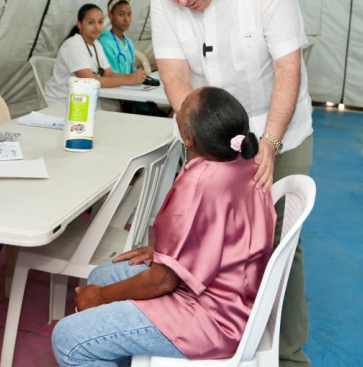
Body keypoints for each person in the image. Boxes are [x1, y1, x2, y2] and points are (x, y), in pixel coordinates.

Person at [143, 0, 313, 367]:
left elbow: (287, 66)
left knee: (276, 247)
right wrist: (199, 144)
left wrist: (271, 142)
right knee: (202, 241)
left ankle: (286, 355)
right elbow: (175, 75)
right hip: (210, 133)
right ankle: (206, 341)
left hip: (276, 126)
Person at [52, 86, 276, 365]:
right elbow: (221, 231)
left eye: (182, 109)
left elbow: (163, 280)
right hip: (237, 298)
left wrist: (98, 298)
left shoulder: (198, 182)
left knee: (69, 339)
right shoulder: (247, 163)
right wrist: (167, 252)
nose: (178, 111)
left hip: (211, 318)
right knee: (100, 275)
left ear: (188, 138)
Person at [44, 3, 146, 107]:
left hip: (82, 101)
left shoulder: (97, 44)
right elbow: (90, 81)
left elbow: (109, 74)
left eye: (100, 22)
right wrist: (128, 80)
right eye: (91, 22)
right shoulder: (74, 45)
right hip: (62, 103)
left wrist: (134, 77)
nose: (97, 26)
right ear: (80, 24)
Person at [97, 0, 136, 74]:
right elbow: (110, 75)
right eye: (121, 14)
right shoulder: (104, 43)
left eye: (129, 14)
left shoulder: (129, 42)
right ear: (110, 16)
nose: (126, 19)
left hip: (131, 85)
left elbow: (133, 69)